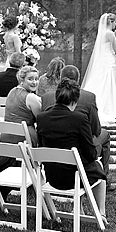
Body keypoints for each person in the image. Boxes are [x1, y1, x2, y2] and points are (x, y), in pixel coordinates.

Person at [37, 79, 107, 221]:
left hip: (52, 176)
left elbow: (41, 145)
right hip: (74, 177)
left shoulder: (41, 118)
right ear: (75, 101)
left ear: (57, 97)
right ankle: (101, 213)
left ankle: (80, 209)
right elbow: (91, 153)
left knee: (85, 165)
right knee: (99, 172)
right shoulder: (80, 119)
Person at [41, 65, 110, 176]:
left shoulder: (46, 97)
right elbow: (95, 130)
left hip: (52, 151)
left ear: (60, 78)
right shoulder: (88, 97)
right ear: (78, 79)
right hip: (79, 149)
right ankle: (104, 176)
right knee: (104, 135)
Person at [82, 13, 116, 125]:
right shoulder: (110, 34)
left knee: (103, 83)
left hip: (104, 60)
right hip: (109, 61)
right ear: (111, 22)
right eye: (115, 22)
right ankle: (109, 110)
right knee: (109, 84)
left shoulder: (102, 33)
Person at [2, 65, 42, 146]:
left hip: (6, 136)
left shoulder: (12, 91)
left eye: (36, 79)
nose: (34, 82)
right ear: (22, 80)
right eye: (30, 79)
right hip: (24, 138)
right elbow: (41, 120)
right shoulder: (31, 97)